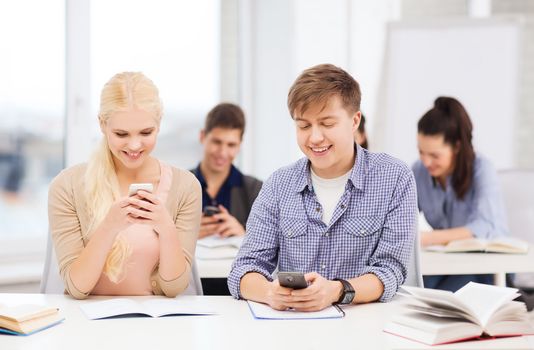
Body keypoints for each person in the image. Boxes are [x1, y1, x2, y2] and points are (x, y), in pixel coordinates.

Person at [227, 64, 417, 311]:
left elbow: (390, 271)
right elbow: (243, 270)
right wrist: (269, 292)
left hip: (365, 328)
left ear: (354, 121)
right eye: (304, 126)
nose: (314, 138)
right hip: (294, 327)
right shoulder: (278, 185)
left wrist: (336, 291)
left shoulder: (394, 177)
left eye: (327, 124)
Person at [48, 72, 201, 299]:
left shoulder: (186, 187)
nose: (135, 145)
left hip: (157, 325)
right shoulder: (67, 186)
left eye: (146, 132)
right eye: (121, 134)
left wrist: (166, 229)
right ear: (102, 124)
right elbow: (77, 288)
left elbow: (173, 288)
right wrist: (109, 227)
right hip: (86, 326)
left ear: (159, 124)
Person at [414, 96, 509, 292]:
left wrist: (423, 238)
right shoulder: (419, 171)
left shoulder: (482, 168)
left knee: (439, 297)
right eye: (421, 152)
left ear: (456, 147)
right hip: (449, 260)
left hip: (487, 262)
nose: (426, 161)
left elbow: (484, 226)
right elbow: (399, 212)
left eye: (434, 155)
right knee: (414, 286)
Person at [191, 103, 262, 295]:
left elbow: (271, 249)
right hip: (189, 287)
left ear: (240, 145)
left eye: (231, 145)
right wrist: (186, 234)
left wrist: (242, 234)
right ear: (202, 137)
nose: (222, 152)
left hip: (236, 288)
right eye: (216, 142)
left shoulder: (256, 190)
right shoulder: (180, 185)